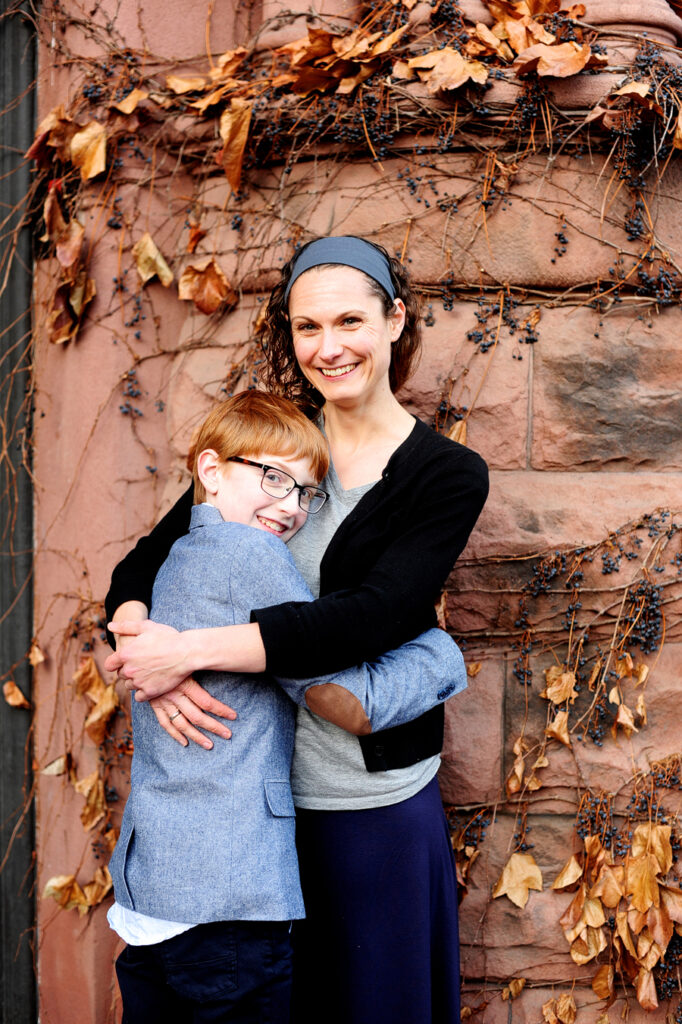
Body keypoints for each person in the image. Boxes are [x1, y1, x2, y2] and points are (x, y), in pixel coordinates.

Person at [105, 236, 489, 1024]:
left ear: (394, 320)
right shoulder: (275, 447)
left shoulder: (446, 475)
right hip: (249, 820)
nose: (328, 347)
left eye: (350, 320)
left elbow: (368, 619)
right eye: (307, 328)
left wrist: (191, 652)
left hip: (368, 807)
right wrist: (136, 642)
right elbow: (149, 561)